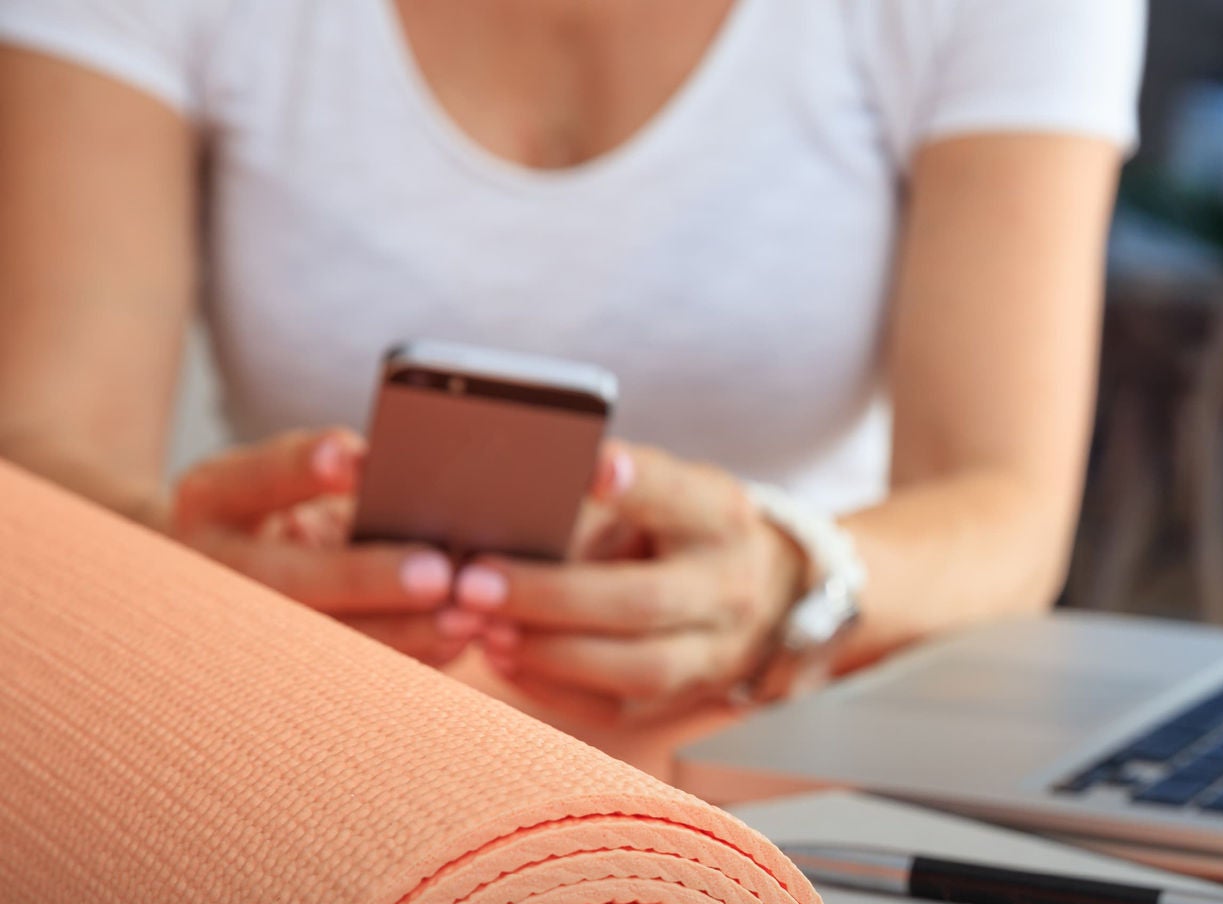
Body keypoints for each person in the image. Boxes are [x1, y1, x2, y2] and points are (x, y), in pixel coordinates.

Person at [0, 0, 1145, 718]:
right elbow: (44, 448)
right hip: (319, 724)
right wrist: (176, 561)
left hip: (786, 729)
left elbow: (1003, 507)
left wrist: (788, 577)